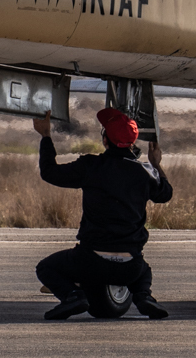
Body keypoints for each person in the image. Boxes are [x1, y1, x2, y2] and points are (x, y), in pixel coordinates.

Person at [32, 107, 173, 320]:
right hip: (130, 266)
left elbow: (50, 172)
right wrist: (156, 164)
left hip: (91, 262)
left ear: (105, 140)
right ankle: (144, 296)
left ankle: (73, 296)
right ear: (132, 143)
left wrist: (45, 136)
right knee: (143, 269)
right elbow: (166, 194)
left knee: (45, 268)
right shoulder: (145, 172)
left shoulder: (91, 167)